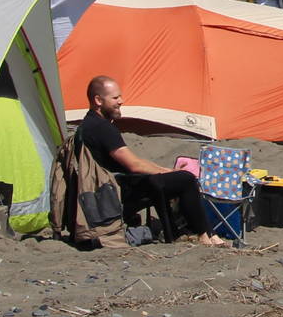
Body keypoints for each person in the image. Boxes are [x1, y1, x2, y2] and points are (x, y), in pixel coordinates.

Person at [76, 76, 225, 246]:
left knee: (176, 177)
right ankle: (205, 235)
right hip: (115, 189)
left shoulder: (87, 125)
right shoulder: (102, 128)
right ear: (98, 100)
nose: (121, 101)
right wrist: (171, 173)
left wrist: (165, 170)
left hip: (105, 186)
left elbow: (135, 162)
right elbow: (134, 165)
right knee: (186, 179)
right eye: (115, 98)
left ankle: (190, 232)